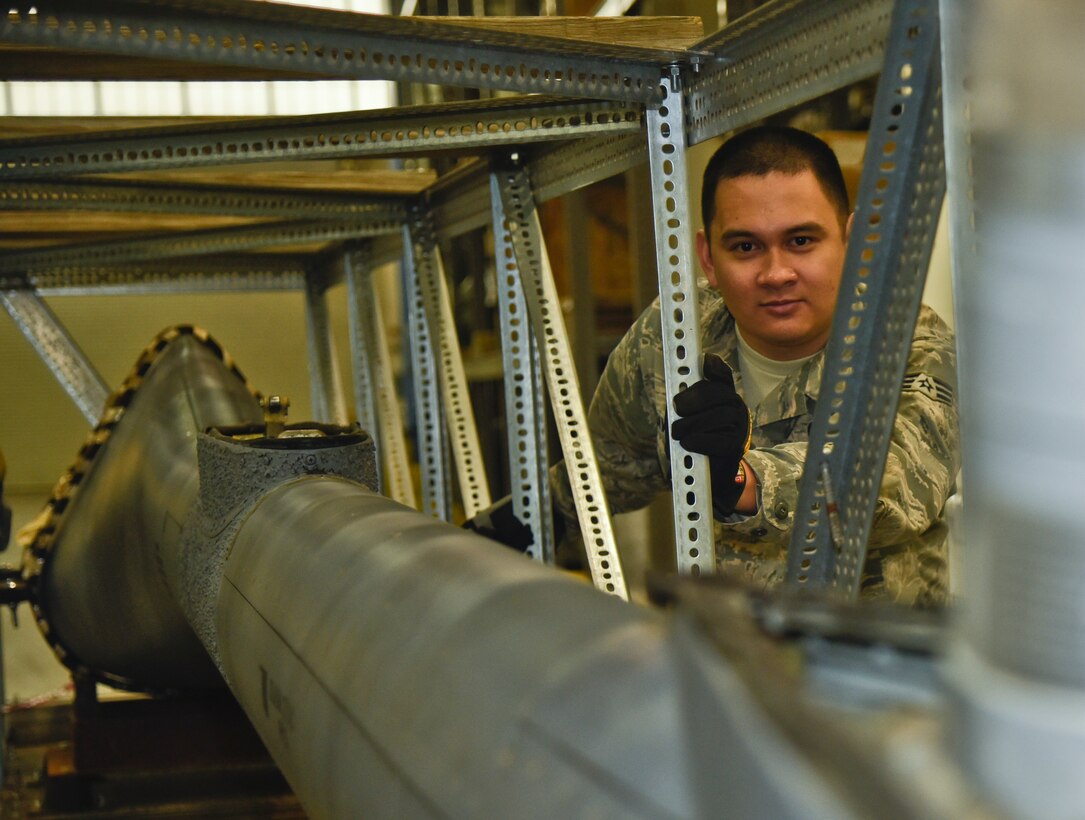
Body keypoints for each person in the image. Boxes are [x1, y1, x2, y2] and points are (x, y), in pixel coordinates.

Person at [475, 126, 960, 605]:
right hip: (727, 658)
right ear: (708, 257)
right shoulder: (671, 340)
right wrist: (494, 536)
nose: (776, 274)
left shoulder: (909, 342)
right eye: (746, 247)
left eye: (801, 241)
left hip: (879, 669)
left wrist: (739, 480)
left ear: (852, 244)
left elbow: (894, 486)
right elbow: (605, 472)